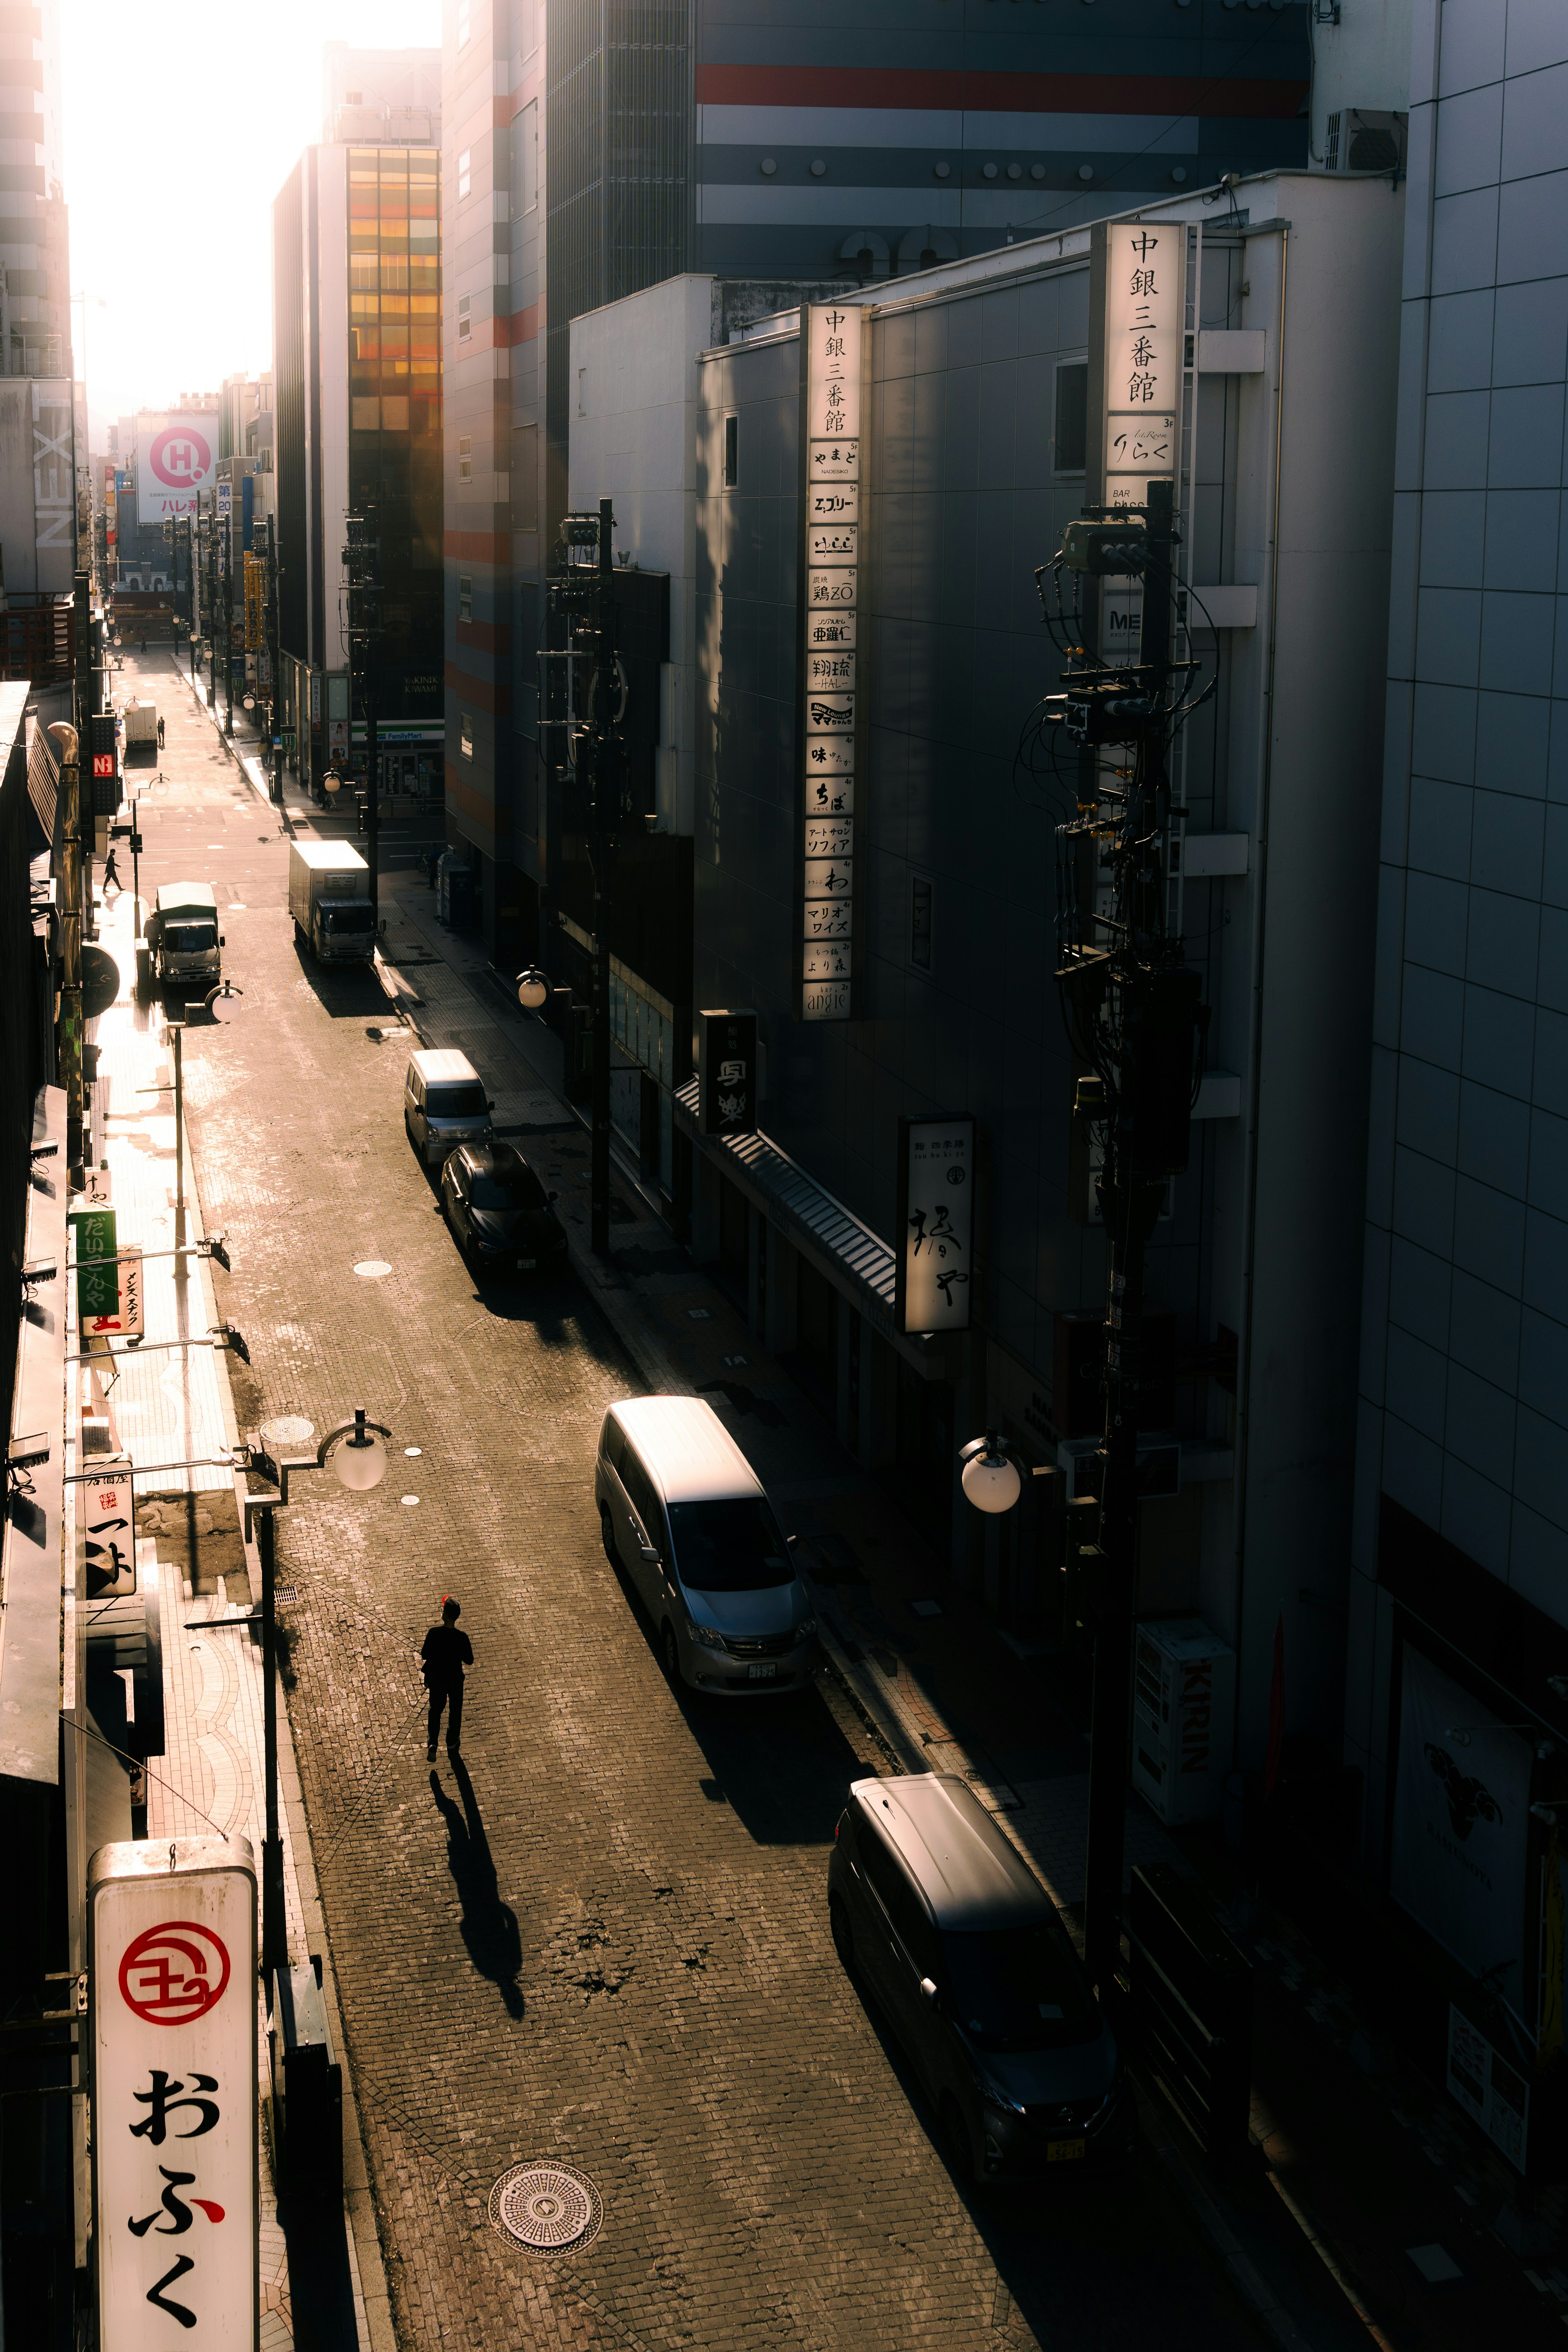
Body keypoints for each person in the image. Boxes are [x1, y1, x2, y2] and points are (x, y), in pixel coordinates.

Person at [421, 1595, 473, 1763]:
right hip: (455, 1680)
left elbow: (424, 1654)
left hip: (437, 1679)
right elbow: (469, 1660)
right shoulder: (462, 1637)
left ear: (444, 1615)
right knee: (455, 1712)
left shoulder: (434, 1633)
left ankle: (433, 1744)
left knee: (435, 1711)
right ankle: (452, 1743)